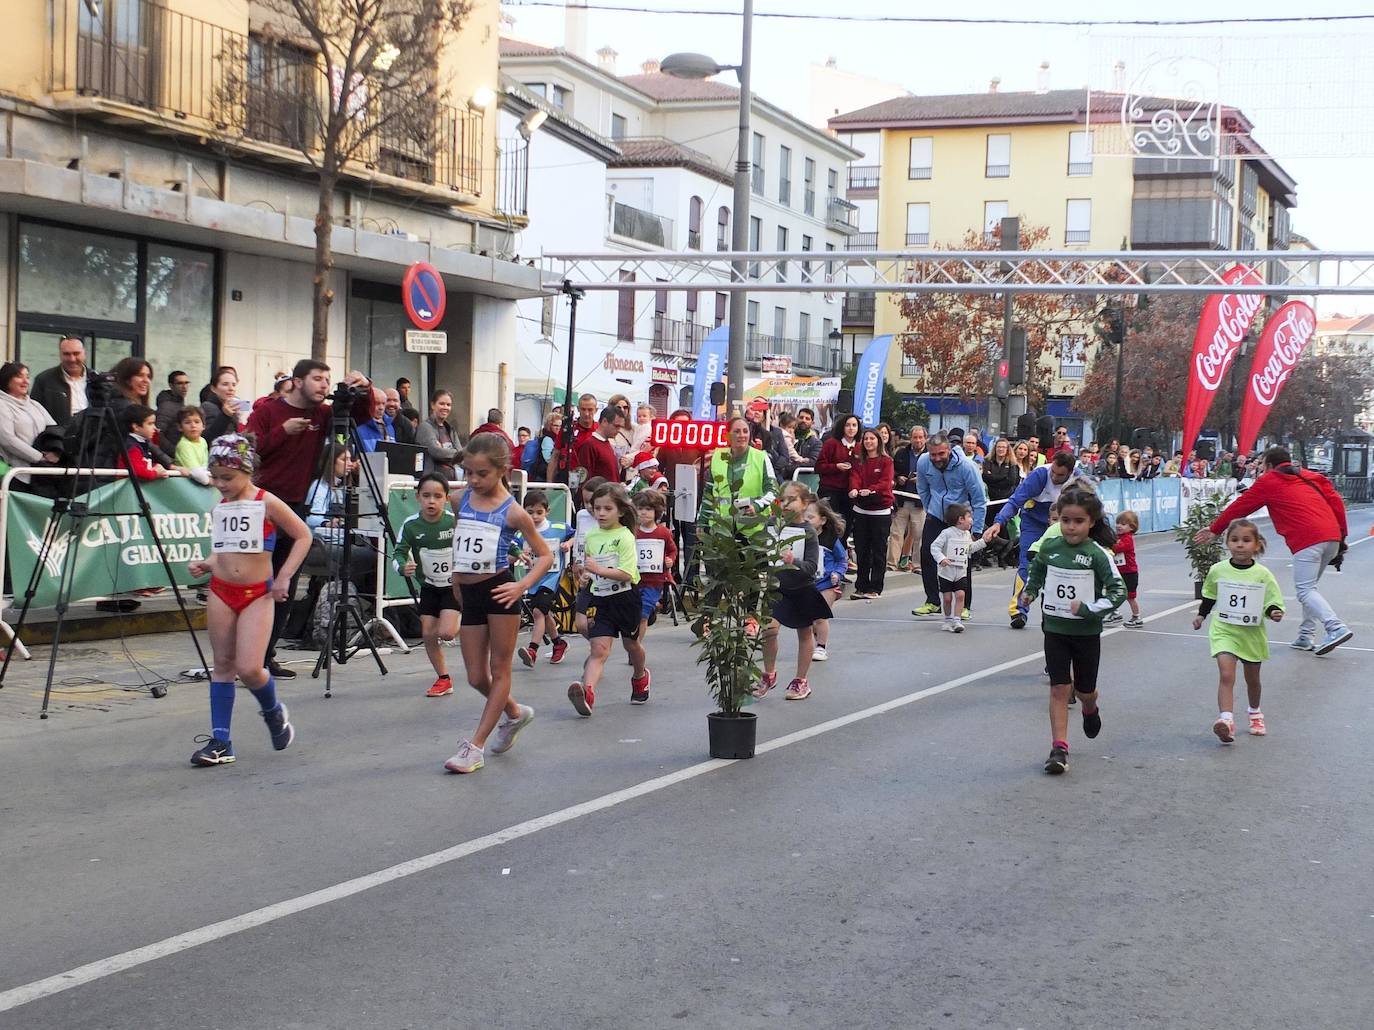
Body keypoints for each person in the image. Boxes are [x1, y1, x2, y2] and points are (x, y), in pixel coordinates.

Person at [245, 358, 375, 680]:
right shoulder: (268, 412)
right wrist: (282, 432)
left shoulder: (323, 414)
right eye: (317, 379)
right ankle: (248, 654)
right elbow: (245, 449)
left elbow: (360, 416)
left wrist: (366, 388)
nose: (323, 386)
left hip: (296, 506)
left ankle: (267, 654)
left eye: (327, 380)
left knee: (284, 583)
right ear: (298, 381)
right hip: (261, 504)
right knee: (255, 583)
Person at [186, 434, 311, 767]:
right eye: (215, 478)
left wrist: (284, 576)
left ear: (248, 470)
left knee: (251, 669)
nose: (220, 484)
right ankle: (220, 741)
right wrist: (206, 563)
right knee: (223, 666)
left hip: (257, 594)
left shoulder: (265, 501)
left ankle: (273, 711)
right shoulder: (220, 507)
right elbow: (222, 550)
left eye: (227, 478)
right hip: (221, 591)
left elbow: (303, 535)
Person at [443, 433, 550, 773]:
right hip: (468, 593)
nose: (474, 480)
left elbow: (545, 557)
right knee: (475, 676)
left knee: (499, 669)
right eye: (469, 473)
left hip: (500, 590)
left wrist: (522, 585)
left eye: (481, 474)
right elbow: (461, 542)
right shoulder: (460, 500)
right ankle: (516, 713)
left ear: (503, 469)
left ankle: (475, 748)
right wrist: (457, 581)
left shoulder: (514, 512)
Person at [1195, 445, 1351, 656]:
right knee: (1310, 588)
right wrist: (1342, 537)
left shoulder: (1269, 481)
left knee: (1305, 590)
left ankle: (1335, 627)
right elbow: (1336, 503)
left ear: (1269, 465)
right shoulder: (1311, 476)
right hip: (1331, 535)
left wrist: (1215, 529)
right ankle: (1306, 636)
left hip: (1307, 539)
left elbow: (1241, 506)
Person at [1021, 486, 1127, 775]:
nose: (1070, 527)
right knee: (1058, 687)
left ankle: (1090, 708)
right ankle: (1059, 748)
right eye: (1065, 520)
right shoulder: (1050, 547)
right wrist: (1031, 591)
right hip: (1054, 628)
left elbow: (1119, 591)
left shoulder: (1098, 554)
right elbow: (1038, 571)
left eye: (1078, 521)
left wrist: (1089, 608)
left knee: (1084, 690)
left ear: (1091, 522)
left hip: (1086, 633)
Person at [1193, 518, 1285, 743]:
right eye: (1234, 540)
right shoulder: (1218, 570)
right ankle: (1226, 720)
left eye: (1246, 540)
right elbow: (1210, 596)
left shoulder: (1262, 574)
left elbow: (1272, 601)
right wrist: (1201, 615)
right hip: (1225, 630)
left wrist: (1273, 612)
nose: (1240, 545)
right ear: (1227, 543)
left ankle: (1255, 712)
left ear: (1256, 544)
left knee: (1252, 679)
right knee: (1226, 675)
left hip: (1251, 633)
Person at [568, 482, 646, 715]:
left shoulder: (625, 537)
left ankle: (640, 676)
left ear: (621, 511)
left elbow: (627, 573)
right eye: (596, 508)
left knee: (631, 645)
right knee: (599, 650)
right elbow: (589, 569)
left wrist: (597, 570)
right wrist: (585, 578)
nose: (600, 513)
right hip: (602, 598)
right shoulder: (591, 536)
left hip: (626, 598)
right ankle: (587, 692)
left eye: (607, 509)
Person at [984, 451, 1076, 629]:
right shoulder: (1040, 475)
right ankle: (1019, 610)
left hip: (1062, 525)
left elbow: (1092, 509)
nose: (1055, 477)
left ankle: (1055, 610)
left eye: (1061, 475)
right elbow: (1015, 501)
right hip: (1034, 522)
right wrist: (998, 523)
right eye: (1054, 473)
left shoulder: (1078, 481)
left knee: (1061, 567)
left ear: (1070, 473)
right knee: (1027, 563)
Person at [753, 481, 826, 702]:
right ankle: (769, 673)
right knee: (769, 629)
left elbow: (812, 568)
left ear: (804, 503)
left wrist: (793, 560)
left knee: (804, 633)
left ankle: (801, 680)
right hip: (777, 587)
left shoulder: (808, 532)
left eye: (791, 499)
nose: (785, 504)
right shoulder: (772, 525)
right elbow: (761, 553)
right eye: (782, 499)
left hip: (801, 588)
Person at [393, 473, 460, 699]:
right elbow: (398, 554)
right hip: (429, 586)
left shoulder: (453, 521)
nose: (432, 501)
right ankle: (443, 679)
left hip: (453, 586)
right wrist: (402, 567)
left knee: (447, 633)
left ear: (447, 499)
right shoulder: (411, 525)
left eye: (437, 496)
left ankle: (466, 613)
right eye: (426, 496)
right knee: (429, 634)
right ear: (417, 497)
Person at [912, 433, 986, 618]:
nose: (937, 458)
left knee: (961, 560)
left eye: (941, 454)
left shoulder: (967, 467)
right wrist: (930, 508)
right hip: (936, 514)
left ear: (949, 450)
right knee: (928, 554)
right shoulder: (923, 462)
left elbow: (979, 499)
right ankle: (932, 601)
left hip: (959, 518)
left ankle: (965, 605)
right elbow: (922, 487)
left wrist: (976, 529)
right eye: (933, 455)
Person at [514, 489, 571, 668]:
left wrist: (568, 544)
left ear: (547, 511)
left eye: (539, 512)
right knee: (544, 614)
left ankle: (532, 650)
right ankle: (558, 643)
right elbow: (510, 553)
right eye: (530, 512)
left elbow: (577, 535)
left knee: (538, 612)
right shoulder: (521, 533)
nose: (535, 517)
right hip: (532, 579)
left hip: (551, 578)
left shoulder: (559, 528)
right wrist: (518, 554)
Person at [848, 428, 894, 599]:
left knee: (878, 550)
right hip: (861, 510)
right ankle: (861, 586)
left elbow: (885, 482)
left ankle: (875, 587)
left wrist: (871, 490)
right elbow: (854, 476)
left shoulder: (886, 461)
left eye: (872, 439)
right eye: (866, 439)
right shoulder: (859, 461)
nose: (868, 442)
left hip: (880, 511)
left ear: (878, 441)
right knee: (862, 550)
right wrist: (854, 489)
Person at [633, 490, 677, 657]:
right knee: (635, 613)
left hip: (655, 581)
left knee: (642, 614)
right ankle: (652, 612)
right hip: (636, 579)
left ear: (656, 512)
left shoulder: (663, 533)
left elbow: (672, 550)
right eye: (640, 509)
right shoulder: (633, 532)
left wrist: (670, 560)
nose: (644, 513)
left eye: (648, 509)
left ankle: (636, 648)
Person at [932, 503, 986, 632]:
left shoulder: (967, 534)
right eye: (969, 517)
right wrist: (941, 559)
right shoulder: (946, 533)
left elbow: (969, 549)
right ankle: (948, 619)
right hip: (946, 572)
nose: (971, 520)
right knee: (947, 598)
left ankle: (957, 620)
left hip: (961, 571)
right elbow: (934, 547)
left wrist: (983, 541)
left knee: (961, 595)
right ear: (960, 520)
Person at [0, 362, 59, 481]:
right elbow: (8, 440)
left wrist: (56, 451)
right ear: (7, 380)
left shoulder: (34, 404)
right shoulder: (2, 405)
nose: (25, 381)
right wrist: (39, 457)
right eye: (19, 377)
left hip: (41, 473)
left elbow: (54, 429)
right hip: (15, 474)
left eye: (27, 377)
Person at [807, 497, 847, 662]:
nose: (806, 520)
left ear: (823, 520)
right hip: (809, 583)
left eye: (811, 517)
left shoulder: (831, 539)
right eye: (804, 516)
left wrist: (837, 573)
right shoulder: (801, 537)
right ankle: (812, 642)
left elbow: (842, 560)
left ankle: (821, 647)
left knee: (821, 616)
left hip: (828, 583)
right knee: (809, 620)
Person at [817, 414, 860, 547]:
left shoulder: (860, 446)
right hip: (830, 490)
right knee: (830, 524)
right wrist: (836, 467)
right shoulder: (831, 443)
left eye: (854, 425)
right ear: (842, 427)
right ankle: (826, 553)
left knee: (846, 525)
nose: (851, 428)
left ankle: (841, 554)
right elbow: (819, 466)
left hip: (849, 493)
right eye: (848, 425)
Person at [889, 425, 927, 572]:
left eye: (920, 437)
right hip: (902, 499)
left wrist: (922, 479)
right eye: (915, 437)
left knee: (919, 534)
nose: (917, 440)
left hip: (920, 501)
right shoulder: (901, 454)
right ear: (910, 438)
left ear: (925, 438)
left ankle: (917, 565)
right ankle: (892, 563)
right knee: (896, 533)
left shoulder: (930, 455)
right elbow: (893, 471)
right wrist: (899, 477)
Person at [31, 336, 92, 428]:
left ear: (84, 353)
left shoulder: (96, 380)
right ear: (60, 355)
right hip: (58, 438)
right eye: (66, 354)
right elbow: (35, 415)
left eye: (76, 353)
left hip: (93, 437)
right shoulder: (44, 380)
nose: (72, 359)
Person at [1105, 509, 1143, 628]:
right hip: (1118, 571)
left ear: (1132, 527)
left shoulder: (1127, 539)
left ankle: (1136, 617)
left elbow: (1117, 548)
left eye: (1123, 524)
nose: (1118, 526)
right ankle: (1114, 613)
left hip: (1129, 572)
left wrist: (1108, 544)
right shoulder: (1117, 536)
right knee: (1113, 592)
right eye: (1117, 523)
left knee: (1130, 596)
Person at [415, 388, 463, 483]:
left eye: (448, 405)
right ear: (433, 405)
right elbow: (436, 452)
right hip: (432, 482)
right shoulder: (425, 427)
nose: (445, 407)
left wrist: (449, 452)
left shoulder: (450, 429)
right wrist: (455, 452)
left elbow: (462, 455)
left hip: (452, 482)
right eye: (442, 404)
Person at [119, 404, 176, 480]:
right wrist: (156, 473)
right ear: (136, 427)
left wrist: (155, 466)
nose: (155, 428)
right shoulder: (132, 447)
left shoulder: (141, 443)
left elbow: (143, 465)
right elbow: (138, 471)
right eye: (150, 424)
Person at [570, 405, 621, 487]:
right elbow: (585, 480)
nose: (618, 430)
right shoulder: (590, 445)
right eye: (616, 426)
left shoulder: (606, 443)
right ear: (604, 422)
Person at [201, 367, 245, 441]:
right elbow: (207, 437)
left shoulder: (232, 406)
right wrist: (225, 415)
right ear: (213, 388)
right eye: (225, 384)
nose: (231, 388)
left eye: (234, 385)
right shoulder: (207, 406)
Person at [154, 370, 191, 449]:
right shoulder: (166, 407)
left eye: (186, 383)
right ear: (171, 385)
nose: (184, 387)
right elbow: (157, 434)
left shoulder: (180, 404)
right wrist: (173, 451)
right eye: (180, 383)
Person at [982, 437, 1021, 506]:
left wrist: (993, 478)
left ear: (1007, 449)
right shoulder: (987, 461)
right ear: (995, 448)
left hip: (1005, 500)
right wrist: (1003, 477)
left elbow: (1011, 481)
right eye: (999, 447)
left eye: (1003, 447)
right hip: (990, 499)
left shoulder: (1012, 464)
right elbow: (985, 478)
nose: (1001, 449)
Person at [530, 410, 563, 481]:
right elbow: (549, 459)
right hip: (543, 477)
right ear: (549, 426)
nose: (558, 428)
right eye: (555, 425)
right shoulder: (547, 439)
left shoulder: (557, 439)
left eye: (560, 426)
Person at [174, 406, 209, 472]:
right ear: (180, 427)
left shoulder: (203, 441)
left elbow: (205, 465)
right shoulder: (184, 445)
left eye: (197, 422)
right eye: (187, 422)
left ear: (203, 425)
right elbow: (195, 470)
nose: (193, 425)